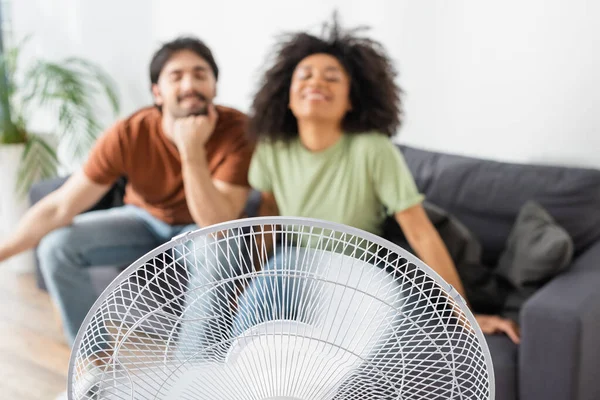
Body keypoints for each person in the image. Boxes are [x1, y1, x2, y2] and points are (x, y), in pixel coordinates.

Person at [236, 14, 520, 345]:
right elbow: (268, 218)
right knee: (262, 314)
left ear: (351, 101)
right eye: (305, 75)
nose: (316, 83)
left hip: (357, 270)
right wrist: (249, 280)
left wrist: (464, 311)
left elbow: (420, 231)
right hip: (294, 266)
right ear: (287, 95)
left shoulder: (373, 149)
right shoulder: (272, 147)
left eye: (332, 78)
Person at [0, 36, 254, 398]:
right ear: (157, 92)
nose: (190, 85)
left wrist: (191, 150)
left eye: (200, 75)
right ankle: (97, 368)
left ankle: (189, 383)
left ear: (214, 85)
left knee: (220, 249)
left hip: (201, 230)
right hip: (142, 219)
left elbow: (217, 224)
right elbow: (59, 207)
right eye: (176, 76)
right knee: (57, 246)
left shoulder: (238, 131)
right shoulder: (130, 132)